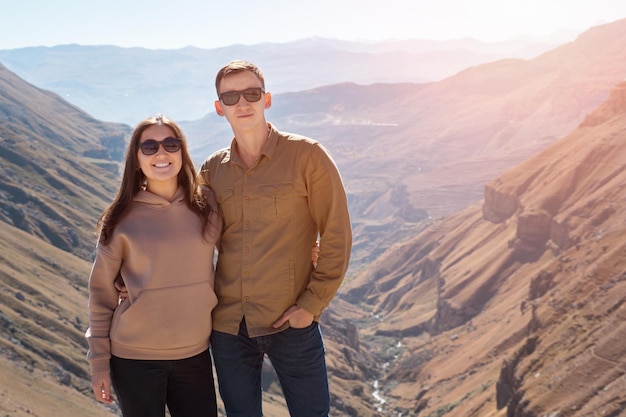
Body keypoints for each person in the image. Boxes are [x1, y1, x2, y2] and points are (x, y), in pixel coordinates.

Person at [198, 59, 352, 417]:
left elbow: (336, 233)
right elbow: (189, 238)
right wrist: (136, 276)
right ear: (219, 108)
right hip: (228, 327)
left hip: (292, 321)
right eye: (231, 96)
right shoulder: (211, 170)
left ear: (266, 99)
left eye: (251, 93)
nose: (243, 103)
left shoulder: (308, 156)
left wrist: (312, 306)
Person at [85, 114, 221, 417]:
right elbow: (101, 296)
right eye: (149, 147)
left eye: (170, 144)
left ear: (182, 152)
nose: (162, 153)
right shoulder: (120, 221)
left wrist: (308, 250)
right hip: (134, 358)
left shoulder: (206, 205)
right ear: (136, 159)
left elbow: (242, 247)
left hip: (195, 352)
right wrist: (98, 367)